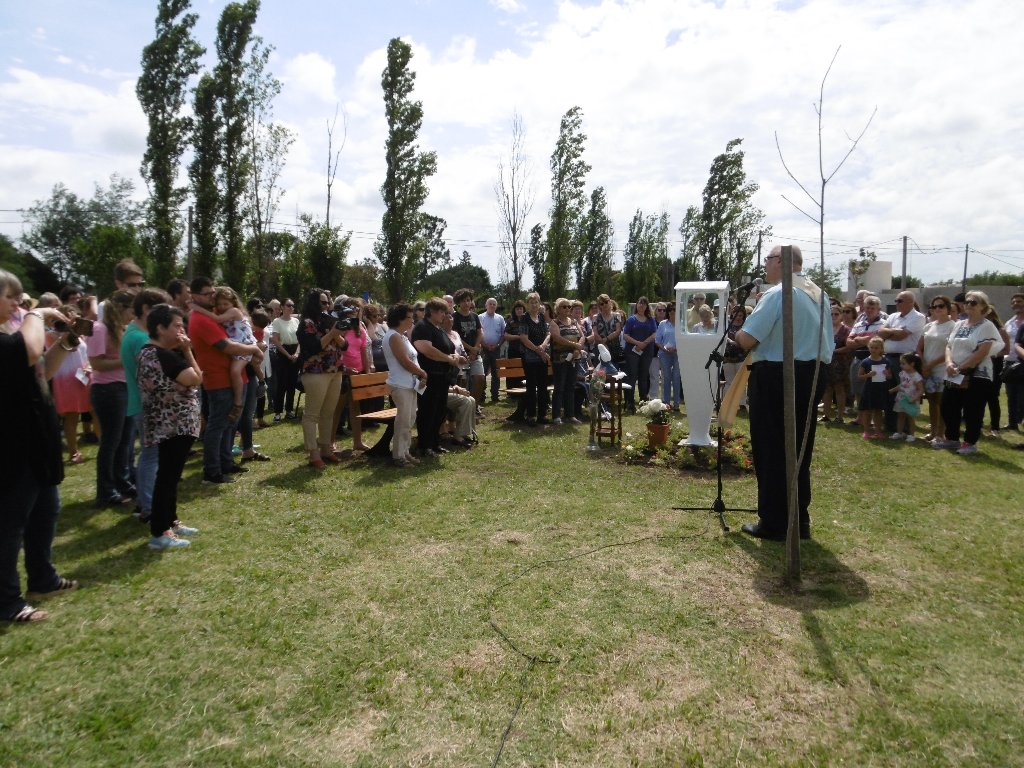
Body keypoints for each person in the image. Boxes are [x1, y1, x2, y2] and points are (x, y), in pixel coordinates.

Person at [735, 245, 833, 542]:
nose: (765, 265)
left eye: (768, 259)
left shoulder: (778, 294)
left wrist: (737, 335)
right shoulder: (819, 293)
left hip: (779, 374)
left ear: (781, 262)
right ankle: (798, 519)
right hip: (813, 372)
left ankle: (775, 521)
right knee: (799, 448)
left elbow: (748, 338)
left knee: (771, 447)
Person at [1, 269, 78, 623]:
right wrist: (36, 315)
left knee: (47, 508)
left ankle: (42, 578)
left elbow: (41, 370)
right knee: (11, 523)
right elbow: (30, 350)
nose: (19, 302)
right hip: (13, 443)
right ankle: (8, 603)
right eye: (11, 296)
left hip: (36, 438)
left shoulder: (9, 335)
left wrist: (64, 343)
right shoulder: (10, 339)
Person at [135, 305, 202, 550]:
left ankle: (170, 521)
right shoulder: (161, 354)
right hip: (172, 425)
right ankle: (160, 532)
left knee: (171, 476)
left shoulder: (151, 353)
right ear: (160, 328)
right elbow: (195, 378)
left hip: (169, 424)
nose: (182, 331)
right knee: (167, 477)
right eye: (177, 326)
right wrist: (187, 350)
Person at [189, 277, 262, 484]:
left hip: (232, 377)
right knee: (217, 426)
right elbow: (227, 346)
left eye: (213, 292)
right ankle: (212, 471)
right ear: (194, 296)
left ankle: (226, 462)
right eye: (207, 294)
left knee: (230, 424)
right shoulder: (201, 319)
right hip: (219, 379)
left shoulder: (213, 316)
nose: (213, 297)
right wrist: (254, 348)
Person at [120, 288, 171, 522]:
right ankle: (149, 507)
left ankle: (144, 503)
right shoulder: (140, 339)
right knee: (152, 457)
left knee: (149, 456)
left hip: (139, 403)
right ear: (147, 310)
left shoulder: (131, 333)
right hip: (147, 405)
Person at [934, 291, 1002, 455]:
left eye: (973, 302)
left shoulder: (987, 326)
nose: (968, 305)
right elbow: (949, 346)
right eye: (967, 302)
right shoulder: (959, 324)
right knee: (948, 406)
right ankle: (952, 438)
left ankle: (970, 442)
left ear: (983, 307)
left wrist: (962, 367)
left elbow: (982, 351)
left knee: (973, 409)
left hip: (977, 373)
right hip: (954, 372)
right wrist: (949, 363)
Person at [87, 290, 137, 507]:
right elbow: (96, 364)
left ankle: (122, 483)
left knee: (125, 441)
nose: (133, 315)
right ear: (120, 308)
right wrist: (127, 361)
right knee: (111, 442)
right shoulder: (99, 329)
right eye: (131, 310)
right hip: (108, 390)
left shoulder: (121, 329)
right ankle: (106, 491)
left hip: (125, 388)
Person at [295, 289, 349, 469]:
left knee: (328, 412)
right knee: (312, 414)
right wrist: (332, 333)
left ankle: (326, 449)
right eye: (323, 303)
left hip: (335, 371)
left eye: (328, 302)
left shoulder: (330, 321)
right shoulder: (306, 323)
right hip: (315, 372)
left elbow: (345, 345)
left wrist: (337, 333)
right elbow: (313, 347)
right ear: (314, 303)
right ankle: (313, 453)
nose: (327, 306)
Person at [412, 298, 465, 456]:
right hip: (429, 377)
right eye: (441, 312)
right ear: (431, 312)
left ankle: (435, 442)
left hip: (443, 377)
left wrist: (457, 357)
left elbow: (447, 348)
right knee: (428, 411)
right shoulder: (422, 327)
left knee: (439, 411)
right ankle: (425, 445)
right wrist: (449, 359)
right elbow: (427, 350)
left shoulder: (438, 328)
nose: (444, 315)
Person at [382, 303, 427, 467]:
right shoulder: (393, 336)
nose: (412, 320)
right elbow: (405, 361)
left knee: (409, 419)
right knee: (403, 420)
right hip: (400, 384)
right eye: (408, 317)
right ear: (399, 319)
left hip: (409, 384)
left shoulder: (403, 336)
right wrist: (422, 373)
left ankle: (405, 452)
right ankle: (398, 456)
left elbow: (411, 360)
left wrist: (419, 375)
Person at [878, 291, 926, 433]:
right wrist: (894, 332)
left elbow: (902, 336)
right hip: (889, 357)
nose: (897, 303)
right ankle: (890, 424)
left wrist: (890, 333)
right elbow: (880, 332)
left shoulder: (918, 317)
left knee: (906, 391)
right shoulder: (893, 316)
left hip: (906, 360)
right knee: (889, 391)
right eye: (896, 300)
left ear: (910, 302)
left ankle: (905, 427)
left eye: (900, 301)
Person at [50, 303, 92, 464]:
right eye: (71, 315)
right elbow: (69, 348)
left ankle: (104, 444)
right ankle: (73, 452)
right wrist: (68, 331)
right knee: (72, 415)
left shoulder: (80, 335)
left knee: (94, 410)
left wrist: (89, 366)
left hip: (83, 377)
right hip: (66, 379)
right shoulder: (53, 335)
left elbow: (85, 353)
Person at [917, 296, 956, 442]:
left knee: (941, 403)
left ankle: (941, 433)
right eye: (934, 307)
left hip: (942, 369)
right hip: (927, 369)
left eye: (941, 306)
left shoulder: (953, 326)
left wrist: (931, 364)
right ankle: (933, 432)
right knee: (932, 402)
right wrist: (923, 364)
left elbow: (950, 349)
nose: (937, 309)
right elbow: (919, 347)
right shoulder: (928, 326)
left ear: (947, 308)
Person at [549, 297, 584, 425]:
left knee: (571, 386)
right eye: (564, 306)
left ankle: (570, 415)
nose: (567, 309)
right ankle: (556, 415)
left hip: (574, 358)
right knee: (559, 387)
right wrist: (574, 345)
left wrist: (578, 348)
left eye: (569, 306)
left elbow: (582, 336)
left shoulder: (574, 322)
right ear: (557, 309)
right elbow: (557, 338)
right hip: (560, 360)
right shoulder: (554, 323)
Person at [518, 292, 551, 426]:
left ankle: (542, 415)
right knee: (531, 387)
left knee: (543, 386)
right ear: (527, 304)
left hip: (542, 357)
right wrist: (539, 350)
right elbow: (524, 339)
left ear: (539, 304)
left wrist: (543, 346)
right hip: (529, 358)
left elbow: (548, 333)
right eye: (531, 302)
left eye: (536, 302)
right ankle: (531, 415)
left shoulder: (542, 317)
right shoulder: (524, 319)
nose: (534, 304)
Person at [623, 296, 657, 411]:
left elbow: (654, 334)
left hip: (646, 351)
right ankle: (630, 402)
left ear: (647, 306)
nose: (641, 305)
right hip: (632, 352)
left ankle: (643, 402)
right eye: (639, 303)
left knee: (643, 377)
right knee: (632, 376)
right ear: (636, 305)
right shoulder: (631, 319)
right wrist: (637, 343)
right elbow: (626, 335)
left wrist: (644, 343)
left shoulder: (651, 319)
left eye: (644, 304)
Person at [452, 289, 485, 406]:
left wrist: (475, 348)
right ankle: (462, 406)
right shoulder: (454, 317)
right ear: (458, 303)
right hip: (461, 355)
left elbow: (480, 332)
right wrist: (471, 349)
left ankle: (475, 406)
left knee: (480, 378)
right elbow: (456, 337)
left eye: (468, 300)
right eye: (463, 301)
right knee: (462, 382)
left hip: (475, 354)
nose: (466, 303)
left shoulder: (475, 316)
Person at [857, 337, 893, 439]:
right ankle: (866, 431)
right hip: (869, 389)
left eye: (876, 348)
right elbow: (859, 376)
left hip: (881, 389)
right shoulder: (866, 362)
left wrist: (887, 374)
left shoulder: (886, 361)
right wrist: (868, 375)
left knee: (878, 411)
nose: (873, 350)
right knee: (867, 411)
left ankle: (878, 431)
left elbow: (890, 376)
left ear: (881, 349)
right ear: (868, 348)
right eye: (871, 347)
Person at [270, 297, 300, 421]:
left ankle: (289, 410)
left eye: (292, 305)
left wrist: (297, 353)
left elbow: (300, 339)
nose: (291, 307)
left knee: (292, 384)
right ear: (282, 307)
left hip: (295, 352)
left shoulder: (296, 321)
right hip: (283, 353)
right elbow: (275, 340)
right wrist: (287, 355)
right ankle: (277, 412)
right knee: (281, 384)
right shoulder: (277, 321)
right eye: (288, 305)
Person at [820, 303, 851, 423]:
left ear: (841, 315)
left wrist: (834, 350)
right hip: (826, 361)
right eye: (831, 314)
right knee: (826, 389)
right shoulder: (825, 329)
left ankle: (840, 416)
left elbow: (849, 347)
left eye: (836, 314)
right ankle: (826, 415)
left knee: (839, 389)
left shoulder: (846, 330)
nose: (833, 316)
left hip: (840, 363)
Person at [889, 352, 924, 441]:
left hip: (911, 400)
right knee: (900, 415)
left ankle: (911, 435)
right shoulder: (902, 373)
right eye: (901, 363)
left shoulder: (917, 376)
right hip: (901, 398)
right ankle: (899, 433)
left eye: (903, 363)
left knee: (910, 417)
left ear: (912, 364)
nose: (901, 365)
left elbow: (921, 390)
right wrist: (893, 389)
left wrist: (914, 398)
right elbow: (902, 384)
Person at [1003, 293, 1024, 433]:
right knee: (1011, 394)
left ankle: (1020, 420)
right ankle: (1012, 422)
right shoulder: (1009, 322)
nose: (1016, 303)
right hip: (1010, 362)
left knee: (1022, 394)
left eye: (1019, 301)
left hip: (1022, 362)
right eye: (1014, 302)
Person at [479, 297, 505, 404]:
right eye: (490, 304)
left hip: (496, 349)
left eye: (494, 304)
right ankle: (481, 395)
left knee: (496, 373)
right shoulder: (480, 317)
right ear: (486, 305)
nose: (492, 306)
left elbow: (503, 334)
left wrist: (498, 344)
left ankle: (495, 395)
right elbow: (478, 334)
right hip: (483, 348)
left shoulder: (500, 318)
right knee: (483, 373)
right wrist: (484, 344)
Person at [657, 303, 681, 409]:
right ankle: (666, 403)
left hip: (678, 353)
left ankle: (676, 403)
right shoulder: (663, 324)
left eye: (674, 309)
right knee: (666, 377)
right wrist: (664, 348)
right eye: (670, 310)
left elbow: (684, 341)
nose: (672, 311)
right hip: (664, 353)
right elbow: (657, 341)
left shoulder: (682, 324)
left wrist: (676, 349)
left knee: (676, 377)